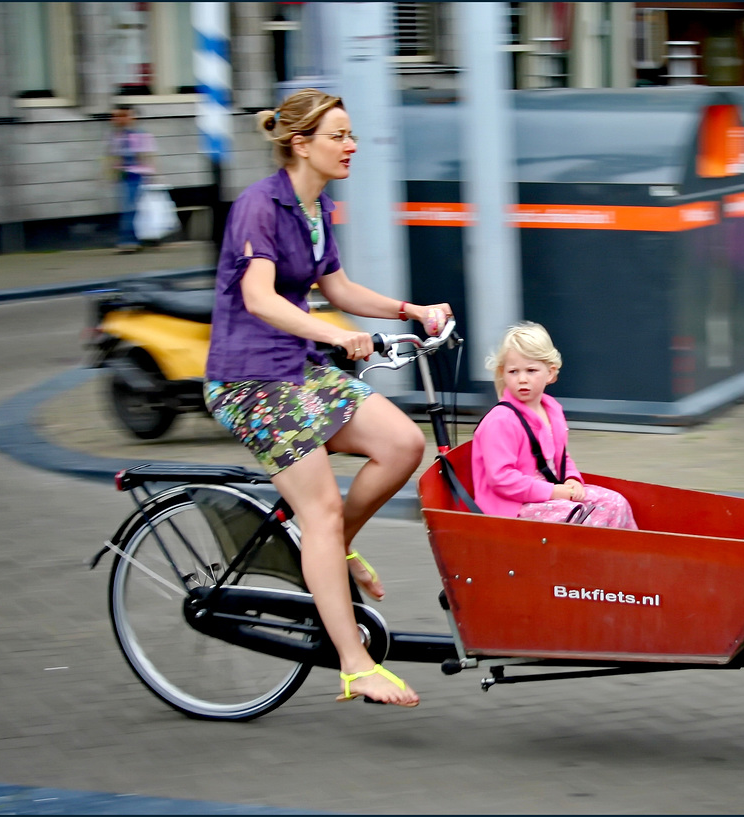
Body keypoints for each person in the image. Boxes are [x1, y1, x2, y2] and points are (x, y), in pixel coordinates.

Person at [204, 88, 452, 708]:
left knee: (401, 444)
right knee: (317, 509)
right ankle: (353, 663)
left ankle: (333, 550)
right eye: (338, 135)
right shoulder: (259, 206)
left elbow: (334, 285)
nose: (351, 145)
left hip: (296, 367)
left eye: (351, 134)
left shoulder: (316, 208)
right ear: (301, 143)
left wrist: (409, 310)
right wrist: (340, 338)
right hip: (248, 379)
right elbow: (260, 299)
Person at [471, 322, 637, 530]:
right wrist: (555, 492)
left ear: (550, 373)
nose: (522, 379)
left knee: (615, 503)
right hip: (514, 507)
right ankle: (591, 560)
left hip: (549, 494)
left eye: (531, 370)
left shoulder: (552, 410)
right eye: (513, 372)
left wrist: (572, 478)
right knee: (581, 519)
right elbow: (502, 479)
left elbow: (561, 457)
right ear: (503, 373)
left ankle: (624, 558)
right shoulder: (501, 420)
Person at [107, 103, 156, 253]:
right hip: (125, 176)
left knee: (130, 208)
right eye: (115, 116)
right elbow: (115, 157)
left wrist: (148, 175)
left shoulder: (138, 135)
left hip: (135, 176)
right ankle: (132, 239)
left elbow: (146, 156)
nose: (117, 120)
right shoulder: (117, 136)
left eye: (122, 116)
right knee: (129, 208)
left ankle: (128, 241)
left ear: (131, 117)